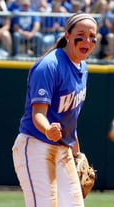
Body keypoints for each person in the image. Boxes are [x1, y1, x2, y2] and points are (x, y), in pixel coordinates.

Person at [12, 13, 98, 207]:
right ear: (67, 35)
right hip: (36, 145)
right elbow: (38, 115)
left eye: (92, 36)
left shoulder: (83, 68)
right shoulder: (49, 66)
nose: (87, 40)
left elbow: (70, 120)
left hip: (63, 149)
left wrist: (77, 154)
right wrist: (48, 129)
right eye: (81, 34)